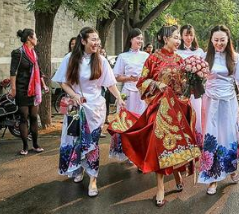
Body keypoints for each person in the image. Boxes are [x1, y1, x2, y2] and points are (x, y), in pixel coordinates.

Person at [109, 24, 201, 207]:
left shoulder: (180, 60)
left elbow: (183, 87)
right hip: (159, 109)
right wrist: (156, 84)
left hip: (178, 108)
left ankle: (176, 173)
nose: (178, 41)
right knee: (160, 146)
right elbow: (141, 82)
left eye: (179, 38)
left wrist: (194, 80)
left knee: (178, 143)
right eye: (175, 37)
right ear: (165, 38)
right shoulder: (153, 59)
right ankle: (160, 187)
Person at [52, 27, 126, 197]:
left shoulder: (101, 60)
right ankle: (77, 169)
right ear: (83, 41)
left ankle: (93, 179)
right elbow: (63, 82)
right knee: (74, 140)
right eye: (93, 39)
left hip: (96, 109)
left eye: (97, 39)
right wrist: (74, 95)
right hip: (76, 109)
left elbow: (110, 84)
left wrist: (119, 98)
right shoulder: (70, 59)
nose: (96, 43)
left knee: (92, 144)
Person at [198, 25, 239, 195]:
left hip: (229, 103)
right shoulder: (204, 57)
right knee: (211, 137)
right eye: (216, 40)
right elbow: (196, 80)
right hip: (210, 102)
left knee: (230, 136)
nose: (219, 43)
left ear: (228, 40)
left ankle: (231, 169)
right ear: (211, 40)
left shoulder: (235, 58)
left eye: (222, 40)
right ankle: (212, 178)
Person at [110, 28, 149, 159]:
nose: (140, 41)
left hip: (142, 94)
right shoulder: (123, 56)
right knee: (127, 122)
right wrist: (129, 78)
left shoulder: (146, 56)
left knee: (141, 121)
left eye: (141, 38)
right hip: (128, 93)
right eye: (138, 38)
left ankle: (140, 152)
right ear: (131, 39)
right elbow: (116, 77)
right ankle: (126, 151)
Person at [9, 28, 48, 156]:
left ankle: (36, 145)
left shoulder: (34, 53)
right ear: (29, 39)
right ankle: (25, 146)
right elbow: (13, 71)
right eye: (35, 37)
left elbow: (39, 70)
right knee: (23, 118)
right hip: (21, 89)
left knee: (33, 117)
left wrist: (43, 84)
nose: (37, 39)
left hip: (34, 90)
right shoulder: (18, 53)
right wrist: (13, 89)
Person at [176, 24, 205, 146]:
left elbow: (204, 70)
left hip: (195, 88)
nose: (189, 38)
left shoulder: (199, 51)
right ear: (181, 36)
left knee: (196, 112)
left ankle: (196, 141)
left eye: (191, 35)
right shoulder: (176, 51)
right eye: (186, 35)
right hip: (180, 89)